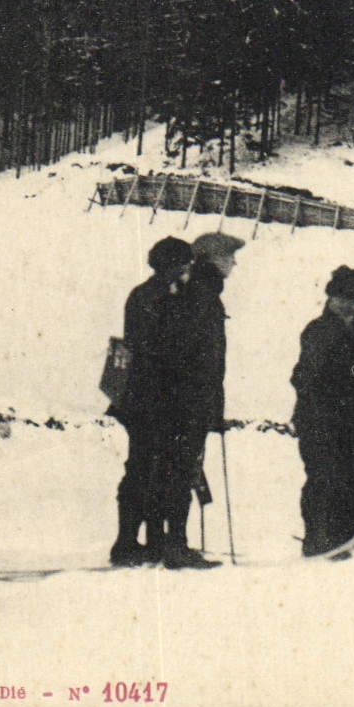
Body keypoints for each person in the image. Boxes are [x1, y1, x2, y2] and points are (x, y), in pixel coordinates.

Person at [145, 230, 242, 569]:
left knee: (176, 469)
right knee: (181, 470)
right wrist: (205, 402)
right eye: (229, 256)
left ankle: (167, 543)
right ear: (214, 259)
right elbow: (198, 355)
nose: (234, 263)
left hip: (183, 397)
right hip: (188, 399)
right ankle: (176, 546)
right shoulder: (202, 294)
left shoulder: (196, 291)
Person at [107, 235, 195, 567]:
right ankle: (133, 542)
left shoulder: (144, 294)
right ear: (171, 266)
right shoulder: (160, 298)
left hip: (140, 399)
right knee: (148, 470)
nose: (188, 270)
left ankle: (132, 540)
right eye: (184, 264)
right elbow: (157, 350)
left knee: (143, 468)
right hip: (152, 399)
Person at [293, 265, 354, 556]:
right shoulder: (317, 331)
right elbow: (303, 377)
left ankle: (344, 533)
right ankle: (316, 538)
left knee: (350, 476)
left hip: (352, 419)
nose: (350, 305)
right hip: (319, 418)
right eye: (344, 299)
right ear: (330, 297)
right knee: (322, 478)